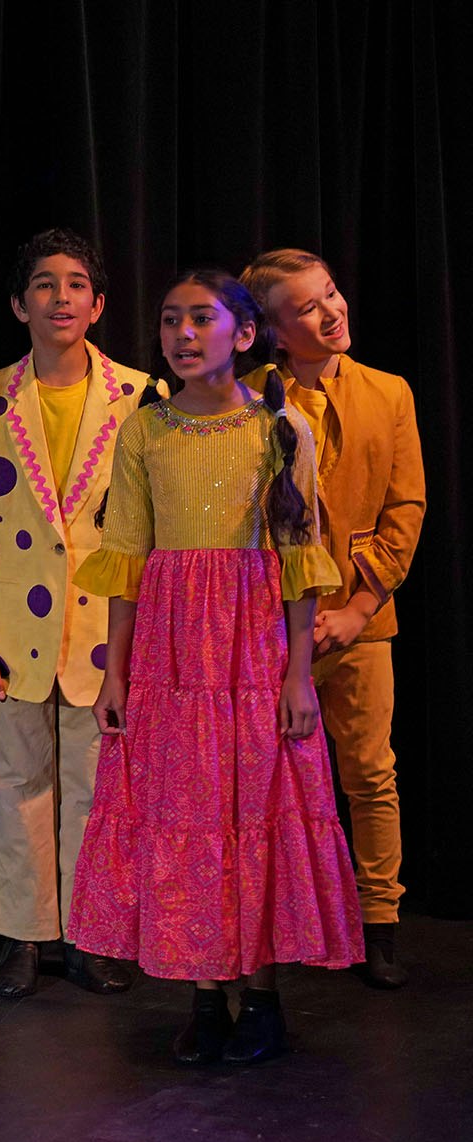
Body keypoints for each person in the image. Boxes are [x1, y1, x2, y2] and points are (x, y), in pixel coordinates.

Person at [68, 270, 362, 1066]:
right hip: (171, 657)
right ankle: (205, 995)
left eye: (202, 318)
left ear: (245, 334)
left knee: (251, 811)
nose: (183, 334)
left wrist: (297, 674)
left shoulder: (279, 428)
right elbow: (126, 560)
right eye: (171, 320)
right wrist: (115, 673)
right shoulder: (144, 431)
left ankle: (260, 997)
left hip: (252, 652)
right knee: (187, 814)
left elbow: (299, 563)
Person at [0, 230, 145, 999]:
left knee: (96, 787)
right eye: (43, 284)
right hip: (15, 633)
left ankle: (91, 935)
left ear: (98, 304)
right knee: (16, 783)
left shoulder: (139, 395)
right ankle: (25, 936)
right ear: (17, 304)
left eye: (75, 285)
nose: (60, 297)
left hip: (103, 633)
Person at [240, 250, 426, 989]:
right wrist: (284, 620)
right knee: (265, 784)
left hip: (361, 618)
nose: (332, 311)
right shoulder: (246, 401)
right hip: (272, 627)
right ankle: (273, 927)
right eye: (309, 307)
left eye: (332, 294)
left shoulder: (390, 392)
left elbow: (405, 509)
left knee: (370, 774)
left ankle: (380, 920)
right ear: (273, 330)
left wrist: (356, 609)